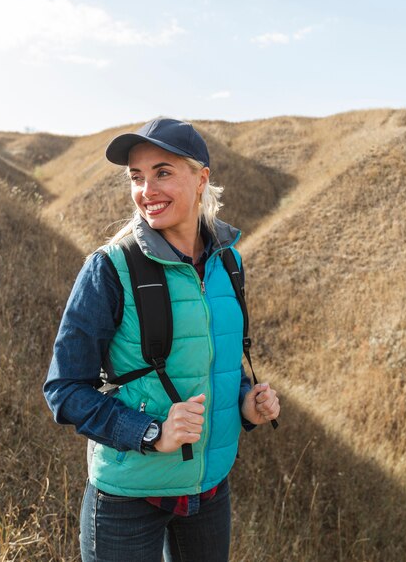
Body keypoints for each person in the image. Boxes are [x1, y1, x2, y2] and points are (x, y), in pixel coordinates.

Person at [43, 118, 280, 562]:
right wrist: (153, 432)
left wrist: (246, 403)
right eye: (137, 177)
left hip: (208, 492)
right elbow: (64, 390)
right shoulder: (109, 269)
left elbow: (209, 364)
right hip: (128, 499)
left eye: (163, 172)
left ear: (202, 178)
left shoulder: (228, 263)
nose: (146, 189)